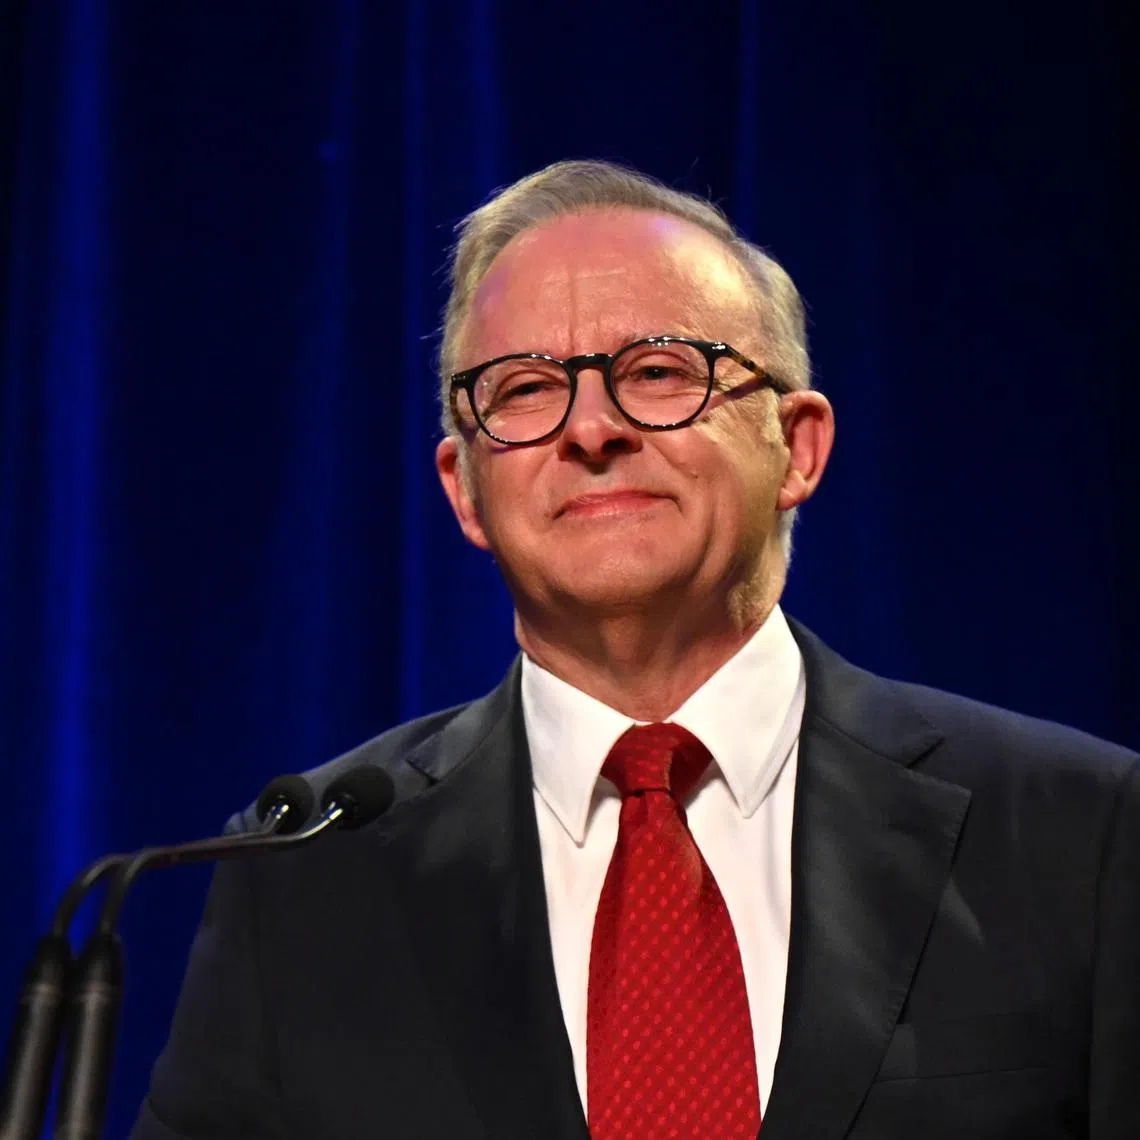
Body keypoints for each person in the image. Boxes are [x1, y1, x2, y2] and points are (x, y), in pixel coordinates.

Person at [132, 161, 1140, 1140]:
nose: (592, 428)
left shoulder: (1081, 835)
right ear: (464, 490)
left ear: (798, 445)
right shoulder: (307, 877)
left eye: (658, 372)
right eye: (524, 390)